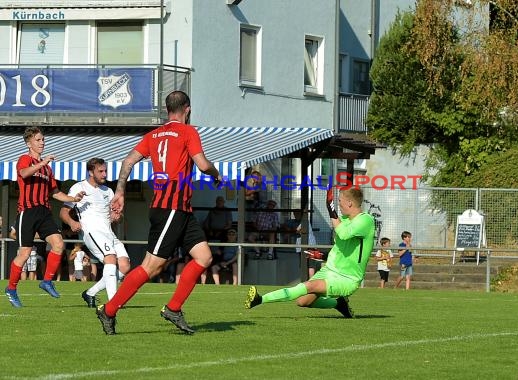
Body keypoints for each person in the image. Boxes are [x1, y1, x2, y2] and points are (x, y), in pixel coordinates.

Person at [95, 90, 223, 335]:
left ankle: (173, 308)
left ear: (167, 110)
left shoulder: (154, 135)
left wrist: (120, 191)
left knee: (204, 257)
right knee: (151, 267)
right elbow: (203, 164)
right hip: (170, 208)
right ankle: (109, 310)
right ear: (187, 109)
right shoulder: (188, 131)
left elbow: (128, 161)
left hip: (180, 210)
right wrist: (216, 175)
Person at [245, 188, 375, 318]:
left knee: (309, 285)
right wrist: (322, 255)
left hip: (347, 278)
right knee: (302, 301)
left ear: (350, 203)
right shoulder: (344, 219)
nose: (338, 205)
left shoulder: (365, 220)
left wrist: (330, 208)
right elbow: (342, 248)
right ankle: (338, 304)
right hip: (330, 270)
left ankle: (260, 299)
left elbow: (344, 234)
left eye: (340, 201)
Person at [5, 126, 85, 308]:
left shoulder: (47, 169)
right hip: (28, 211)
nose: (42, 143)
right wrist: (42, 163)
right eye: (38, 140)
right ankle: (11, 288)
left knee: (58, 244)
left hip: (44, 211)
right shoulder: (24, 159)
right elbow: (24, 173)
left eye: (43, 140)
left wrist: (74, 198)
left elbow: (55, 192)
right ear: (29, 143)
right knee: (24, 253)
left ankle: (47, 281)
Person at [60, 157, 131, 308]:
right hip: (92, 232)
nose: (104, 174)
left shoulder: (109, 191)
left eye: (105, 171)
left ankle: (90, 292)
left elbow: (116, 216)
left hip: (109, 233)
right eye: (101, 171)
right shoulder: (78, 187)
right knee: (110, 259)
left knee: (125, 266)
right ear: (91, 172)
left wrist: (117, 216)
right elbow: (63, 212)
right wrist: (72, 222)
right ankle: (114, 303)